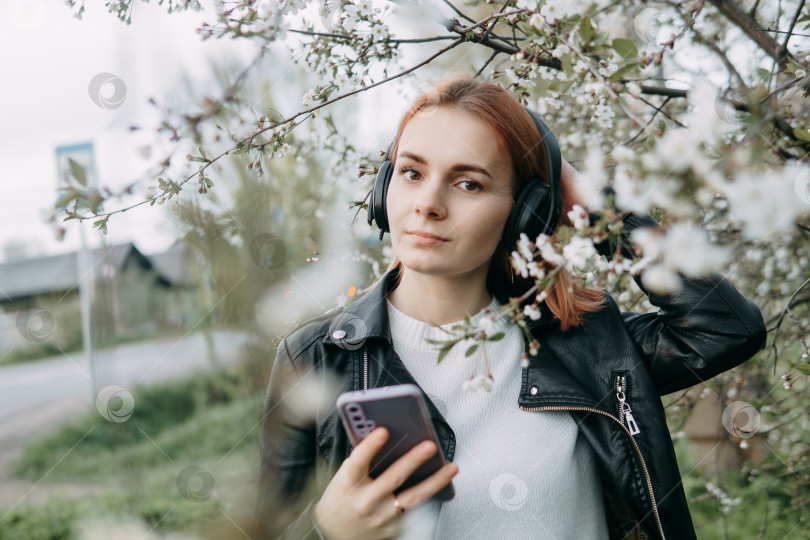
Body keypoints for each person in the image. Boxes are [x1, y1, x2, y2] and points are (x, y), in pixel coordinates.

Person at [256, 72, 767, 540]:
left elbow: (726, 328)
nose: (427, 203)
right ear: (383, 188)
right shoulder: (315, 358)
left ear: (525, 213)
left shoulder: (586, 342)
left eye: (468, 183)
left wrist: (601, 210)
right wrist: (325, 532)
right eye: (412, 173)